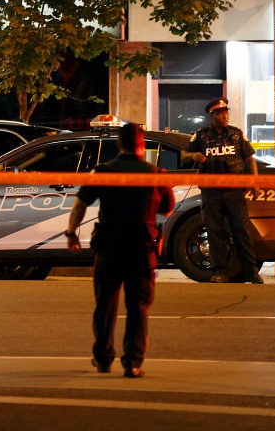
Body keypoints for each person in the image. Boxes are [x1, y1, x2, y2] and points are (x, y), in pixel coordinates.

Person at [65, 122, 175, 378]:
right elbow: (167, 209)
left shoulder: (104, 172)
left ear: (119, 143)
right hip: (141, 250)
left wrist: (71, 234)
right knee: (138, 307)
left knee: (105, 305)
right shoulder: (156, 173)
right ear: (141, 144)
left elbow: (80, 205)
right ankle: (133, 363)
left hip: (109, 248)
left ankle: (103, 359)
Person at [184, 97, 264, 284]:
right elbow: (183, 154)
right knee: (215, 232)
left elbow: (249, 159)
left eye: (226, 112)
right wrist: (193, 155)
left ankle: (251, 272)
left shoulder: (236, 134)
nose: (224, 115)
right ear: (212, 115)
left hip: (234, 190)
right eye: (220, 113)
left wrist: (254, 182)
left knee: (242, 231)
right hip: (211, 191)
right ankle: (220, 272)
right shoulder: (201, 135)